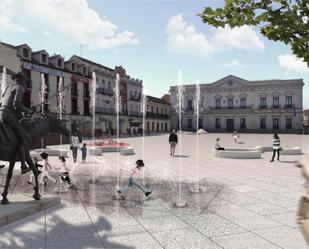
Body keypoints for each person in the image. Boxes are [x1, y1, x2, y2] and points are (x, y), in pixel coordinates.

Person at [0, 72, 34, 174]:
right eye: (24, 81)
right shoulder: (20, 87)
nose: (25, 83)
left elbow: (3, 102)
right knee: (21, 136)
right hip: (7, 114)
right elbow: (16, 104)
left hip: (0, 112)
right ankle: (23, 165)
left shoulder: (8, 88)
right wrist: (29, 111)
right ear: (21, 80)